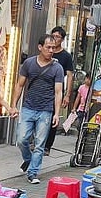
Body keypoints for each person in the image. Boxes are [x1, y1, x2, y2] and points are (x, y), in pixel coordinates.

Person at [11, 34, 64, 184]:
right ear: (40, 47)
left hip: (46, 110)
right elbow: (19, 85)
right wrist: (14, 105)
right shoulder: (29, 63)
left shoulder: (57, 68)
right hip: (28, 107)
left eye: (53, 48)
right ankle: (28, 159)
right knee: (21, 140)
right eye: (48, 47)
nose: (51, 50)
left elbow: (58, 91)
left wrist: (57, 113)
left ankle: (33, 173)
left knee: (40, 144)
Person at [43, 26, 74, 156]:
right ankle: (38, 141)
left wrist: (67, 95)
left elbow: (70, 75)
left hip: (57, 90)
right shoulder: (45, 52)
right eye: (53, 36)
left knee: (53, 119)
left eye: (58, 37)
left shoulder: (66, 56)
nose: (55, 39)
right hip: (43, 89)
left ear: (62, 40)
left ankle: (47, 146)